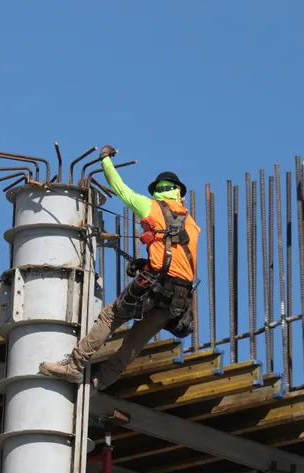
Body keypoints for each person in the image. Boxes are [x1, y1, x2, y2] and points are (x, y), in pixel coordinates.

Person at [39, 144, 201, 390]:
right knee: (135, 340)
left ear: (158, 191)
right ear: (180, 194)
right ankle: (101, 382)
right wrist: (146, 262)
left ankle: (74, 366)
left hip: (154, 284)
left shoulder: (151, 207)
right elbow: (176, 259)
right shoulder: (192, 225)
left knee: (110, 317)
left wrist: (105, 159)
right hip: (179, 298)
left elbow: (119, 188)